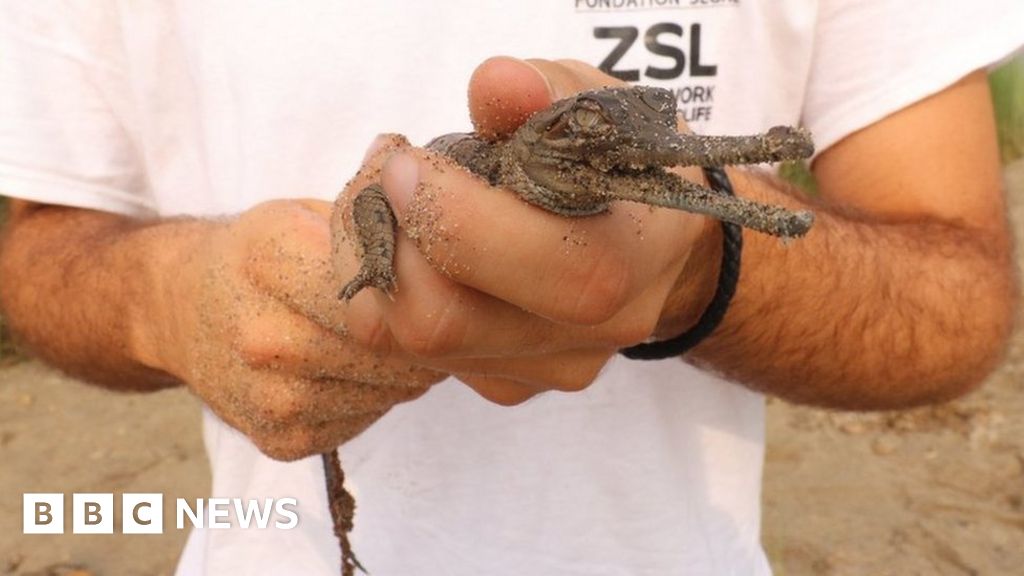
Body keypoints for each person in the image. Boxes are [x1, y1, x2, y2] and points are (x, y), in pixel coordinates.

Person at [0, 1, 1019, 574]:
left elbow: (960, 293)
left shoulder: (636, 158)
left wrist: (708, 266)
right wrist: (163, 296)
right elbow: (43, 244)